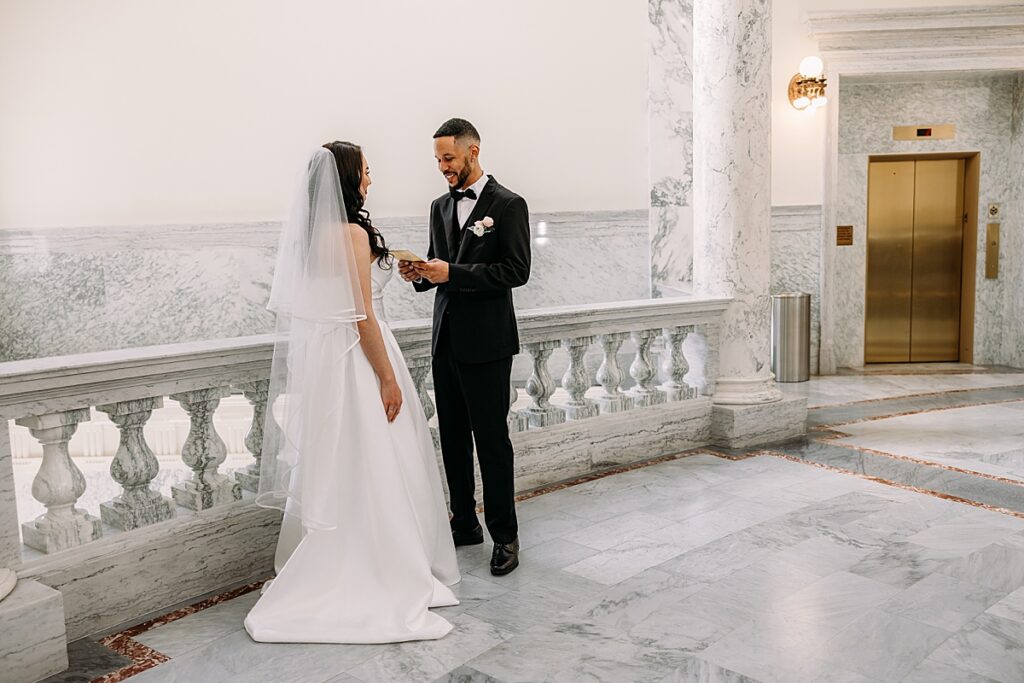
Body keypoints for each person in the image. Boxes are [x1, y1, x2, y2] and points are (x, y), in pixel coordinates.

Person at [244, 142, 460, 644]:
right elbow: (363, 316)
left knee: (341, 460)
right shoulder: (354, 234)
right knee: (379, 458)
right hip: (363, 356)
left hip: (330, 363)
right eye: (365, 171)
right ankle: (381, 565)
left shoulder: (311, 237)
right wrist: (386, 377)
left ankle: (336, 556)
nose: (370, 178)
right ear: (347, 179)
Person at [399, 118, 531, 576]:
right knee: (452, 438)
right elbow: (441, 266)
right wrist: (420, 274)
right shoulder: (439, 207)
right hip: (446, 341)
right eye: (438, 160)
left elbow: (516, 271)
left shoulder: (509, 204)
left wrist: (452, 273)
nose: (442, 167)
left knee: (492, 442)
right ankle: (464, 522)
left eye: (448, 158)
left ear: (473, 151)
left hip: (488, 344)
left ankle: (505, 536)